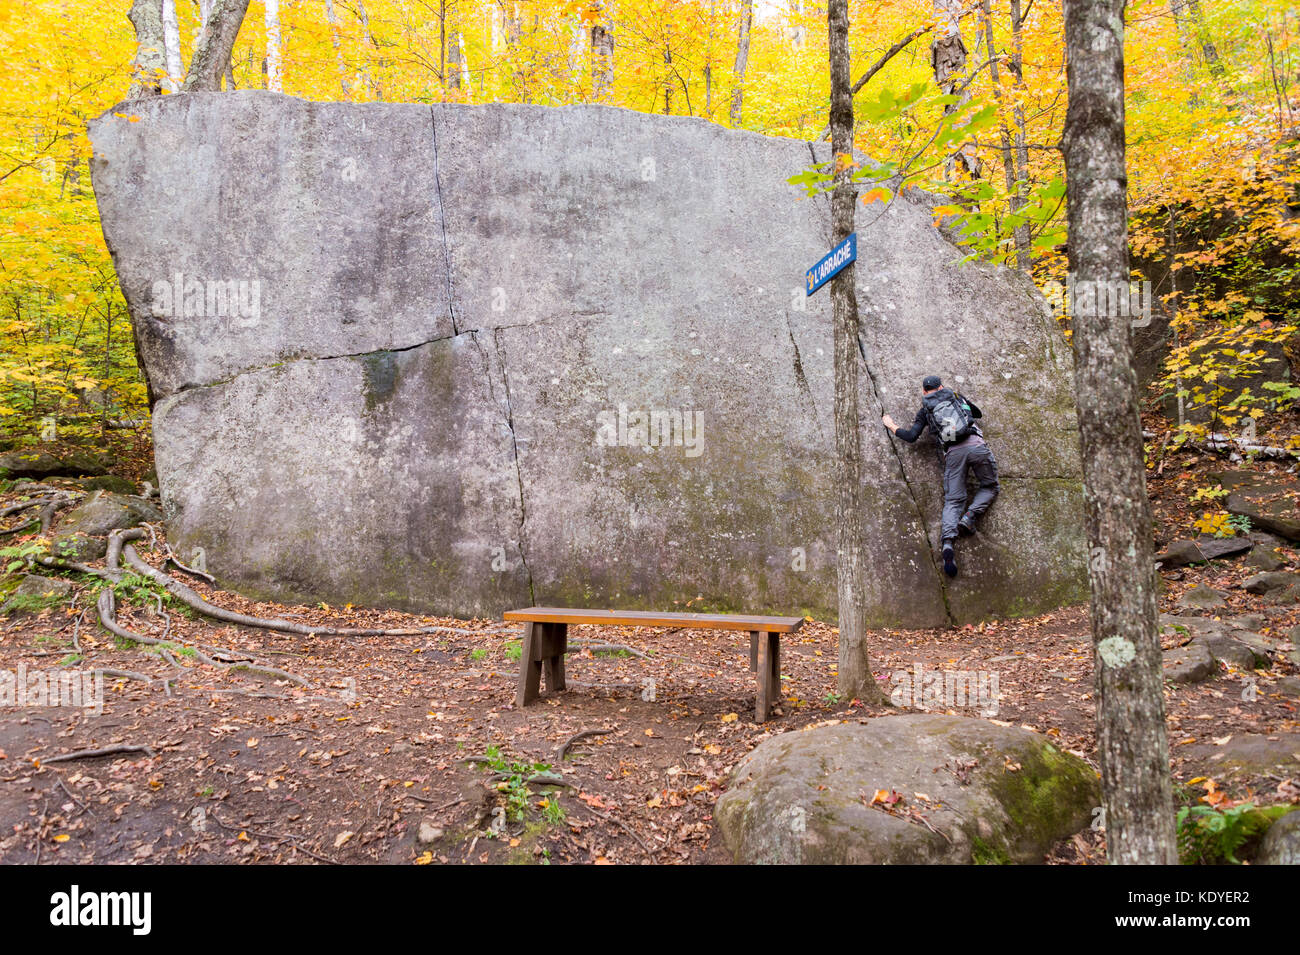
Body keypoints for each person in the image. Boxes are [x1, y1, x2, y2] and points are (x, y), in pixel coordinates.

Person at [881, 375, 999, 579]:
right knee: (989, 486)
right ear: (941, 387)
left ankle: (947, 544)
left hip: (953, 454)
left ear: (924, 392)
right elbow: (977, 413)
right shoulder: (955, 397)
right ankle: (970, 516)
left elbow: (911, 436)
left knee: (953, 500)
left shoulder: (925, 411)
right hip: (976, 445)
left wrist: (891, 425)